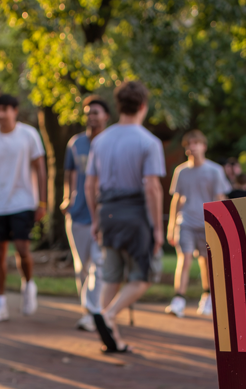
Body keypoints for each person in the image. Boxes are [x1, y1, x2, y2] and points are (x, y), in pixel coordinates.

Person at [85, 80, 166, 353]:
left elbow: (90, 185)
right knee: (142, 276)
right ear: (143, 106)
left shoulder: (101, 140)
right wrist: (157, 227)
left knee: (112, 274)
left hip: (107, 211)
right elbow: (152, 187)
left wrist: (96, 219)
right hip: (135, 213)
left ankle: (112, 336)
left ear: (117, 106)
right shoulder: (149, 142)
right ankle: (109, 314)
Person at [0, 94, 46, 322]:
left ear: (15, 111)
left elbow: (40, 169)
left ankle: (28, 285)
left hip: (23, 201)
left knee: (22, 249)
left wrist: (42, 201)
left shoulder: (28, 135)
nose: (1, 114)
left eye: (6, 109)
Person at [165, 129, 230, 319]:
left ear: (204, 146)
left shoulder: (215, 170)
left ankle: (207, 297)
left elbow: (220, 198)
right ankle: (179, 300)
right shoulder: (181, 171)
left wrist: (221, 225)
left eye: (195, 143)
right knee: (184, 259)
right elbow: (176, 199)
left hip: (207, 223)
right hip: (185, 222)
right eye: (188, 145)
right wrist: (171, 226)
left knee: (206, 261)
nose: (192, 147)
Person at [63, 94, 109, 332]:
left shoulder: (112, 142)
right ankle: (89, 311)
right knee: (82, 267)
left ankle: (93, 314)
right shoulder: (76, 143)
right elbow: (70, 173)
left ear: (106, 116)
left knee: (98, 265)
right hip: (78, 213)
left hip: (104, 214)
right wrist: (67, 197)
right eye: (88, 113)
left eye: (96, 112)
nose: (91, 117)